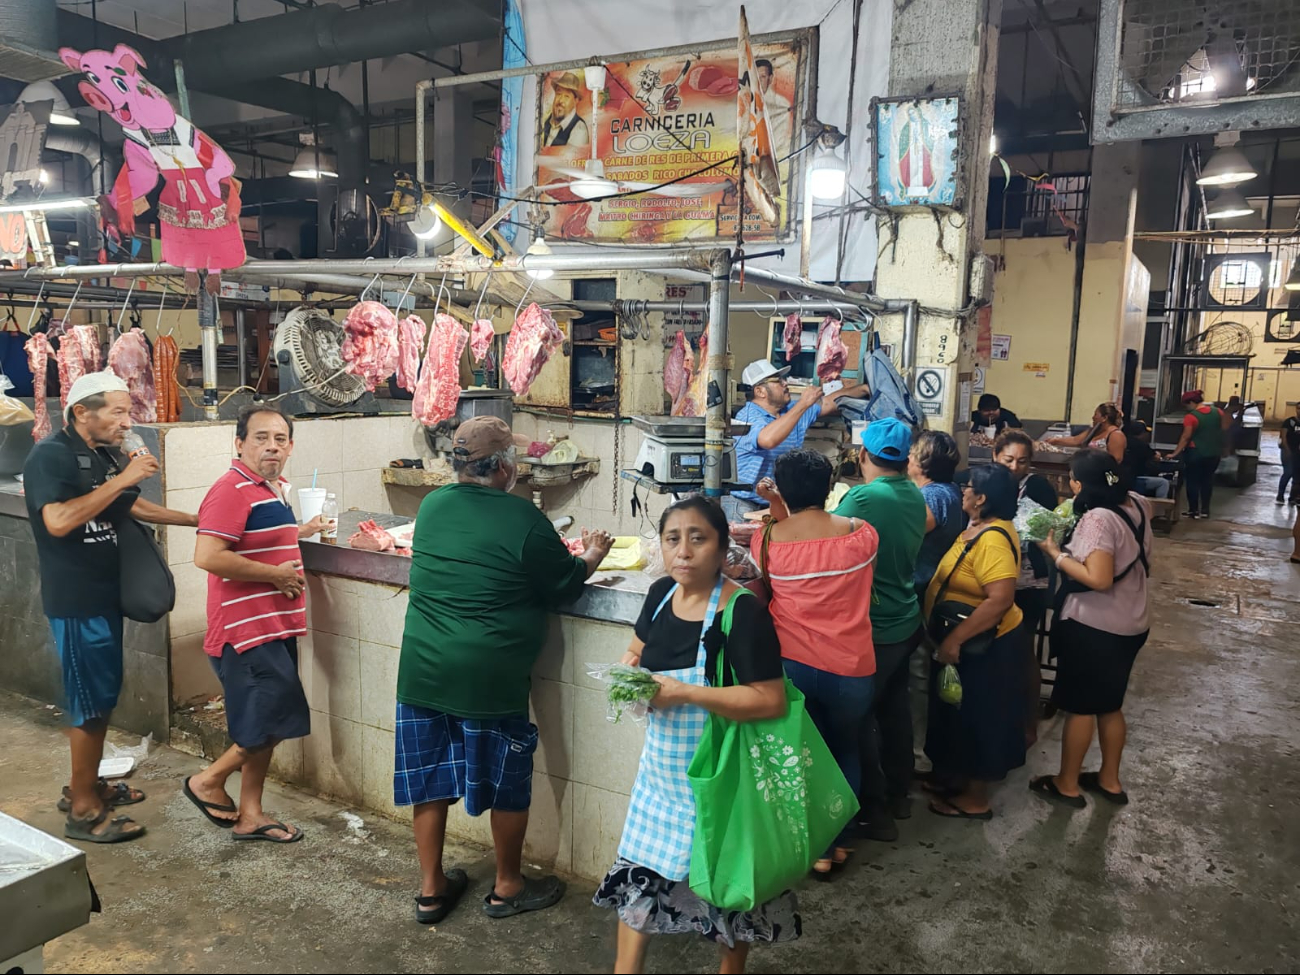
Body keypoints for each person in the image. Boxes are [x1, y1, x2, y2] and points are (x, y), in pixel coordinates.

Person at [394, 417, 613, 924]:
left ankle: (432, 889)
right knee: (506, 779)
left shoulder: (432, 506)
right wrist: (593, 555)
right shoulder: (523, 520)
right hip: (488, 676)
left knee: (429, 778)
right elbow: (563, 587)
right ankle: (508, 885)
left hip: (423, 668)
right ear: (505, 468)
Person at [594, 498, 794, 974]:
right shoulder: (661, 593)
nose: (683, 551)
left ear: (723, 547)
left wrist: (687, 694)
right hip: (660, 776)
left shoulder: (741, 612)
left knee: (725, 886)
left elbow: (770, 700)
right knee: (641, 878)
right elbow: (636, 650)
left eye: (697, 538)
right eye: (672, 539)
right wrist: (627, 676)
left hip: (720, 781)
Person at [22, 371, 197, 843]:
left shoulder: (98, 456)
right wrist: (125, 475)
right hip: (78, 602)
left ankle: (89, 783)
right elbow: (57, 520)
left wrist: (201, 519)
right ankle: (82, 810)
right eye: (118, 411)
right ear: (82, 411)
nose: (127, 421)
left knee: (101, 697)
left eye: (127, 411)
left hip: (105, 597)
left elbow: (131, 508)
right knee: (88, 706)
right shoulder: (50, 456)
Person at [186, 405, 323, 843]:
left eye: (280, 439)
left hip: (273, 626)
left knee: (266, 725)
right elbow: (208, 556)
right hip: (244, 633)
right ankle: (207, 781)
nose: (272, 446)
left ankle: (251, 814)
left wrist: (302, 531)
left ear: (291, 447)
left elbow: (257, 541)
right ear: (239, 443)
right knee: (265, 724)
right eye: (261, 438)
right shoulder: (231, 489)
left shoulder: (273, 487)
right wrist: (276, 575)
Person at [752, 449, 878, 875]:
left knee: (806, 755)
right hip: (852, 667)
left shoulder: (767, 541)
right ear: (829, 488)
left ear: (783, 490)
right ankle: (838, 843)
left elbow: (772, 563)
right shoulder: (862, 535)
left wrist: (774, 507)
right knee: (846, 749)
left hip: (794, 666)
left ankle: (814, 848)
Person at [1031, 450, 1152, 809]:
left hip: (1095, 627)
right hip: (1132, 620)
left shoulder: (1098, 519)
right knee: (1110, 704)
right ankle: (1109, 780)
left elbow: (1098, 579)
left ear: (1080, 484)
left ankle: (1066, 784)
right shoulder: (1139, 503)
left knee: (1081, 707)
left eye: (1072, 479)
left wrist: (1055, 553)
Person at [834, 419, 927, 841]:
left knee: (858, 717)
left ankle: (874, 811)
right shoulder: (911, 492)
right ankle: (900, 794)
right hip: (906, 616)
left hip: (878, 625)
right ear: (907, 460)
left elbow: (821, 536)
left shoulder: (865, 498)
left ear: (864, 456)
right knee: (894, 708)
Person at [923, 463, 1028, 820]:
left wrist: (954, 639)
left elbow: (999, 599)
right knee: (956, 713)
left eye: (967, 487)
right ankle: (953, 777)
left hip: (985, 643)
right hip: (966, 638)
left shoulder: (994, 538)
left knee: (979, 717)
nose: (962, 492)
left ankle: (975, 798)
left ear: (981, 498)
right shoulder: (979, 526)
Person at [725, 359, 867, 522]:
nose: (785, 383)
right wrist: (803, 403)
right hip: (744, 503)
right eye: (778, 381)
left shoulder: (790, 410)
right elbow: (767, 440)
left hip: (776, 502)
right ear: (760, 391)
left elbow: (830, 402)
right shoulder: (748, 416)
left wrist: (863, 389)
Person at [992, 430, 1057, 741]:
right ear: (995, 457)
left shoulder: (1039, 488)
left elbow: (1044, 532)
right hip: (993, 581)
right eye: (1008, 460)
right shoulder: (986, 483)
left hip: (1028, 582)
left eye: (1022, 461)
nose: (1015, 467)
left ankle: (1027, 723)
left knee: (1023, 651)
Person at [906, 431, 963, 768]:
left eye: (913, 454)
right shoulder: (946, 492)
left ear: (923, 462)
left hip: (922, 595)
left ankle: (917, 753)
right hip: (927, 592)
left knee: (917, 674)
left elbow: (909, 528)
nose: (908, 458)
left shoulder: (936, 497)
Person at [1169, 390, 1227, 520]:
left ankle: (1193, 510)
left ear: (1191, 402)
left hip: (1196, 453)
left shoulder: (1191, 417)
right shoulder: (1218, 412)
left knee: (1193, 482)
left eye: (1186, 405)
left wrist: (1175, 453)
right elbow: (1223, 430)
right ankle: (1205, 510)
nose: (1186, 408)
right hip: (1213, 453)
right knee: (1207, 481)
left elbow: (1186, 437)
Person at [1046, 402, 1127, 465]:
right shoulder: (1093, 431)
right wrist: (1054, 441)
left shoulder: (1116, 435)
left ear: (1104, 418)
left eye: (1096, 414)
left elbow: (1117, 460)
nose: (1093, 417)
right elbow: (1076, 440)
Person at [1123, 420, 1172, 499]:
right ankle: (1159, 509)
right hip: (1134, 480)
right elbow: (1156, 457)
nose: (1147, 435)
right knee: (1163, 483)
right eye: (1145, 432)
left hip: (1124, 478)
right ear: (1141, 433)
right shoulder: (1141, 445)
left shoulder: (1124, 440)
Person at [540, 71, 590, 148]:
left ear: (575, 101)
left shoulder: (579, 129)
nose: (560, 100)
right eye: (558, 94)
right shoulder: (547, 122)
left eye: (566, 96)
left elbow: (568, 159)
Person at [755, 58, 792, 152]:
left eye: (762, 77)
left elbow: (778, 142)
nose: (759, 82)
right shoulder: (744, 102)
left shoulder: (781, 105)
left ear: (770, 78)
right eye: (755, 77)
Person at [1277, 401, 1300, 506]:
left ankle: (1293, 497)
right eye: (1298, 408)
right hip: (1288, 451)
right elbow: (1283, 437)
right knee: (1288, 472)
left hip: (1298, 452)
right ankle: (1280, 495)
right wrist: (1287, 450)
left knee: (1297, 476)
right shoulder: (1289, 422)